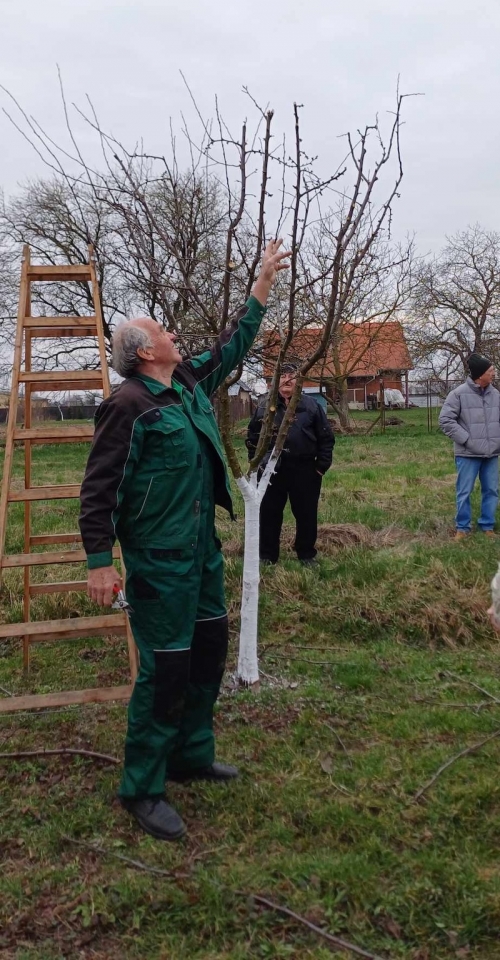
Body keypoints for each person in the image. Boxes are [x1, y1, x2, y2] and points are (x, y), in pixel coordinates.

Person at [79, 241, 289, 842]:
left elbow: (235, 344)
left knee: (206, 655)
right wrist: (100, 561)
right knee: (165, 670)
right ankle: (142, 786)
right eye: (163, 331)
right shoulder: (129, 406)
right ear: (145, 351)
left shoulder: (188, 382)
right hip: (158, 563)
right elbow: (99, 488)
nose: (174, 335)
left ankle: (192, 753)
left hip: (200, 555)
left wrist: (261, 285)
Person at [246, 366, 334, 565]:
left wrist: (320, 467)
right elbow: (252, 437)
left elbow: (326, 438)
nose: (287, 380)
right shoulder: (263, 406)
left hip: (304, 469)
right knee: (269, 513)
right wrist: (257, 462)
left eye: (291, 377)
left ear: (299, 381)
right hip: (270, 471)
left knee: (306, 513)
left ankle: (306, 554)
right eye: (282, 376)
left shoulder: (311, 406)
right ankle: (267, 555)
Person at [439, 352, 500, 540]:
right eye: (490, 370)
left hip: (491, 454)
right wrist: (467, 440)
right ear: (480, 374)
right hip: (467, 454)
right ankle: (462, 529)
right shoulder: (458, 394)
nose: (494, 373)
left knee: (491, 490)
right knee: (464, 491)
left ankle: (487, 526)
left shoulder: (496, 394)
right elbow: (446, 420)